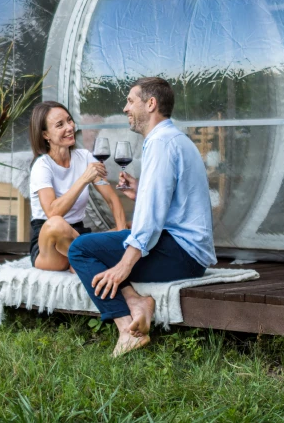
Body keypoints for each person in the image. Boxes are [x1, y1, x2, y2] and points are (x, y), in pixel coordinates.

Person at [67, 77, 216, 357]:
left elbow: (151, 217)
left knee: (80, 250)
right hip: (185, 250)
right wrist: (141, 189)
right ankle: (136, 302)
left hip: (181, 253)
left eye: (130, 100)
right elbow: (167, 200)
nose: (125, 108)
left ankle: (126, 328)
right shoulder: (172, 139)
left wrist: (125, 264)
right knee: (99, 244)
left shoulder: (161, 143)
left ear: (151, 104)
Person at [27, 101, 129, 272]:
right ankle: (85, 259)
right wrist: (83, 179)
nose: (69, 127)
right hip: (48, 244)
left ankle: (81, 259)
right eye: (60, 125)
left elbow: (112, 200)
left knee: (131, 226)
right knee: (57, 224)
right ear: (45, 134)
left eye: (69, 120)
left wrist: (121, 238)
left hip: (78, 235)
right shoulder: (42, 166)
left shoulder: (85, 157)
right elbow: (52, 213)